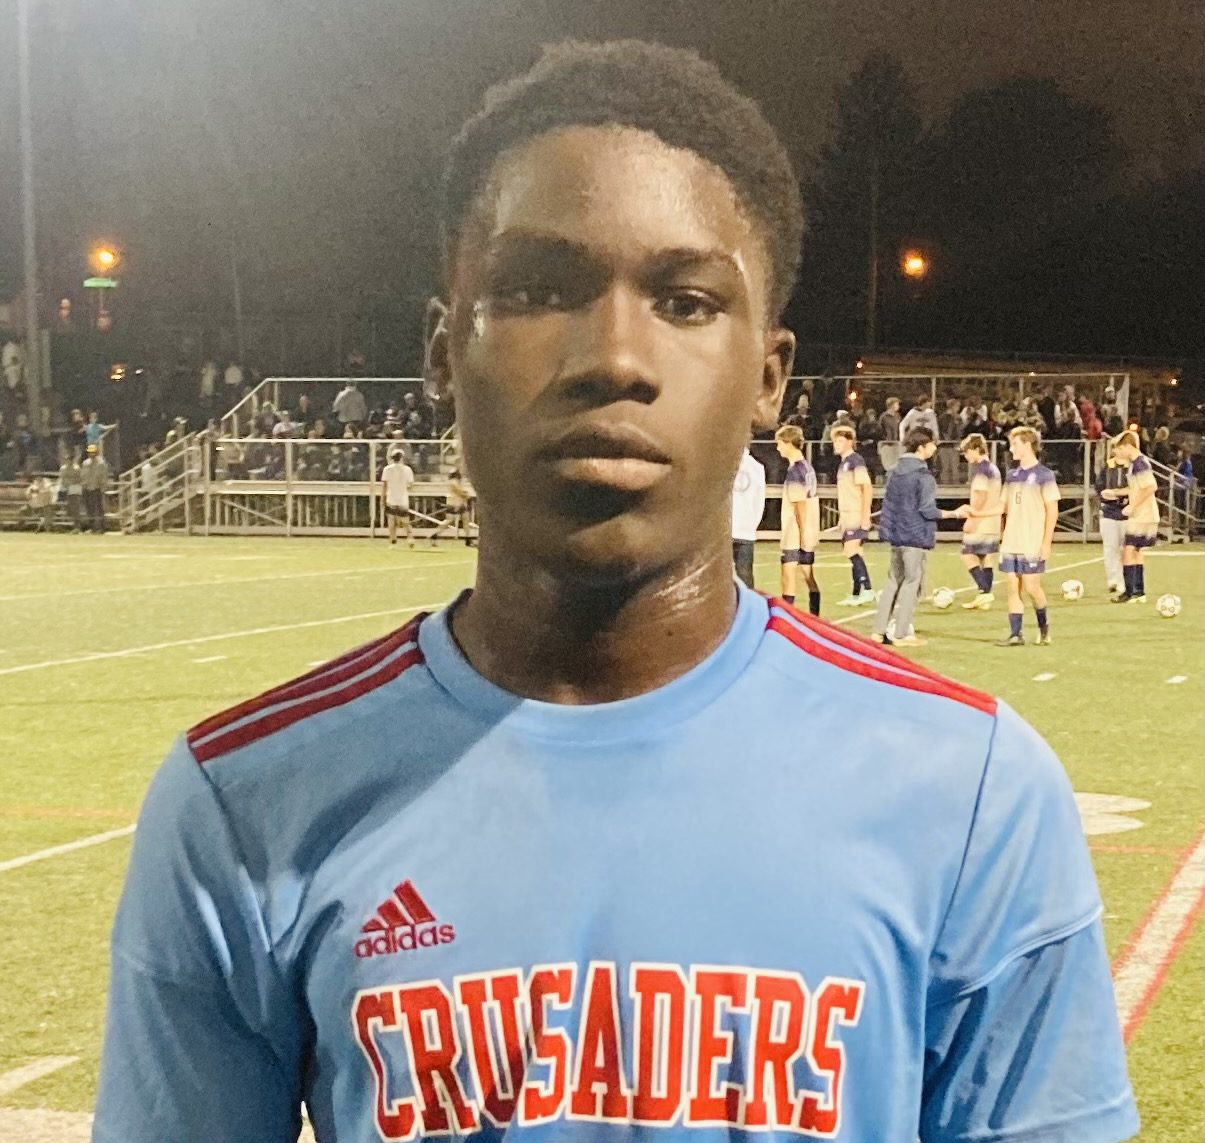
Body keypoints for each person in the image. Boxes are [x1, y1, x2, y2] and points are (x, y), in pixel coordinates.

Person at [94, 40, 1137, 1143]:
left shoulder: (968, 792)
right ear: (444, 354)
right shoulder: (245, 800)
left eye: (685, 300)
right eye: (538, 289)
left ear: (767, 378)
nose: (612, 358)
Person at [871, 428, 956, 647]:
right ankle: (901, 633)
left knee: (892, 581)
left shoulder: (894, 471)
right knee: (911, 582)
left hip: (896, 534)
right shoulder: (923, 476)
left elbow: (888, 506)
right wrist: (954, 513)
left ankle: (878, 631)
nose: (935, 448)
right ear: (922, 447)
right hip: (915, 535)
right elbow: (927, 510)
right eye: (932, 444)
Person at [997, 427, 1060, 646]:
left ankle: (1044, 629)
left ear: (1027, 445)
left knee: (1032, 587)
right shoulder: (1012, 475)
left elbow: (1052, 510)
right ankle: (1016, 634)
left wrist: (1046, 542)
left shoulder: (1044, 475)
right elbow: (1002, 506)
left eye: (1015, 444)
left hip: (1032, 540)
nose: (1011, 448)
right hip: (1011, 540)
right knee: (1012, 588)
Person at [773, 425, 820, 613]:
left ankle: (788, 617)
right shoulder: (807, 468)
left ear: (789, 443)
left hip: (795, 532)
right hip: (807, 530)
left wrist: (801, 534)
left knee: (788, 577)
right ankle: (815, 615)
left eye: (779, 443)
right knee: (808, 576)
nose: (777, 448)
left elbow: (800, 504)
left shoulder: (794, 472)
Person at [955, 433, 1003, 610]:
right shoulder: (994, 469)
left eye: (967, 451)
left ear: (976, 449)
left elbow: (980, 496)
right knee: (985, 557)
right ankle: (985, 597)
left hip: (981, 519)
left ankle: (984, 592)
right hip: (992, 520)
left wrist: (971, 518)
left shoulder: (982, 470)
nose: (965, 456)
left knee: (968, 554)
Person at [1111, 430, 1158, 602]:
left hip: (1142, 514)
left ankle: (1129, 592)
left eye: (1120, 448)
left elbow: (1150, 486)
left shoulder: (1139, 463)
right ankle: (1139, 592)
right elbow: (1138, 488)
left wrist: (1133, 506)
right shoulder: (1136, 463)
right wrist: (1116, 492)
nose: (1118, 452)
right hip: (1146, 514)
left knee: (1128, 551)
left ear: (1128, 446)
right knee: (1136, 551)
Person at [831, 425, 875, 605]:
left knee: (851, 551)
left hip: (856, 513)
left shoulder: (856, 461)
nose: (836, 444)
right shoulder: (843, 464)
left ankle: (868, 589)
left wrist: (866, 515)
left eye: (840, 440)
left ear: (850, 442)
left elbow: (866, 487)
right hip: (848, 514)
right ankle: (856, 593)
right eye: (835, 440)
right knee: (856, 552)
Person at [1094, 439, 1129, 597]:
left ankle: (1125, 581)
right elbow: (1099, 486)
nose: (1118, 451)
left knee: (1125, 549)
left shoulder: (1133, 467)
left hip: (1127, 512)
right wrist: (1103, 495)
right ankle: (1113, 579)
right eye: (1117, 448)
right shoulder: (1108, 466)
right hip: (1108, 511)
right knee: (1110, 548)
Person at [730, 441, 766, 590]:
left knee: (719, 575)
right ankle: (749, 609)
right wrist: (752, 524)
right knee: (745, 574)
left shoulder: (724, 465)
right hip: (746, 529)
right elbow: (760, 500)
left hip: (726, 529)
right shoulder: (757, 467)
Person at [380, 446, 416, 546]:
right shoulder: (407, 469)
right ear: (401, 458)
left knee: (391, 520)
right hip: (403, 499)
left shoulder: (387, 469)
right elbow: (410, 485)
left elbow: (384, 486)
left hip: (391, 498)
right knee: (405, 521)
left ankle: (393, 539)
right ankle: (410, 538)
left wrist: (382, 499)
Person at [80, 443, 110, 533]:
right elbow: (83, 475)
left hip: (97, 488)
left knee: (99, 509)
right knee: (89, 509)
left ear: (96, 452)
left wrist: (103, 488)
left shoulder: (101, 463)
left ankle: (101, 527)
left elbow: (104, 477)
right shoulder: (85, 463)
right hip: (87, 488)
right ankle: (92, 527)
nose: (91, 454)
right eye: (89, 452)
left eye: (92, 452)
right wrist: (83, 486)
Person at [936, 398, 962, 485]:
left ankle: (956, 484)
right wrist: (945, 439)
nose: (958, 408)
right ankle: (945, 484)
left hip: (954, 445)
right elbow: (940, 431)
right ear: (952, 406)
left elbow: (960, 430)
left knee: (955, 467)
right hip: (944, 445)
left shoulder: (958, 418)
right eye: (957, 406)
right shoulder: (942, 418)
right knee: (945, 467)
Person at [58, 451, 83, 531]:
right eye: (67, 459)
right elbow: (62, 478)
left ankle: (77, 526)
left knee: (75, 508)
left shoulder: (77, 468)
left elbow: (79, 479)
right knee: (66, 509)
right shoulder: (63, 468)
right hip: (65, 490)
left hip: (74, 490)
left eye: (70, 459)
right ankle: (66, 526)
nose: (68, 461)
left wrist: (71, 481)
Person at [877, 395, 902, 473]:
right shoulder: (883, 417)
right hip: (886, 443)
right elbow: (879, 429)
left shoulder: (898, 416)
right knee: (887, 462)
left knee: (896, 462)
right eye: (897, 404)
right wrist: (884, 437)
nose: (898, 406)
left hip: (896, 443)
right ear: (891, 405)